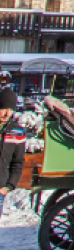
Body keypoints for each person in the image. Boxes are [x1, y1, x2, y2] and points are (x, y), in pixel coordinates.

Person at [0, 88, 26, 219]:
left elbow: (18, 162)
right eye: (3, 109)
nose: (6, 114)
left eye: (10, 110)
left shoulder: (17, 132)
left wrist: (9, 186)